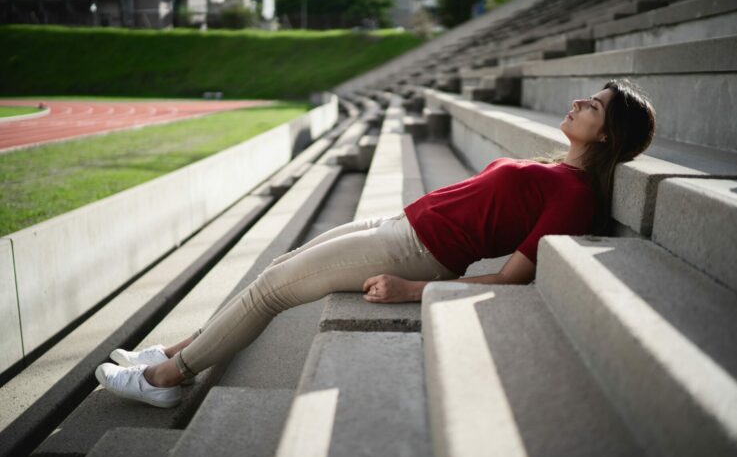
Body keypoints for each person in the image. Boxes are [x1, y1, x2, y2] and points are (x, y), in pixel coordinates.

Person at [96, 79, 656, 408]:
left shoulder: (575, 194)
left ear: (607, 133)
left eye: (595, 106)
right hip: (401, 226)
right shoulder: (557, 166)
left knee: (271, 289)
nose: (580, 103)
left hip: (415, 253)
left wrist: (418, 289)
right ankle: (174, 352)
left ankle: (168, 378)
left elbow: (515, 277)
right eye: (587, 97)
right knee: (283, 263)